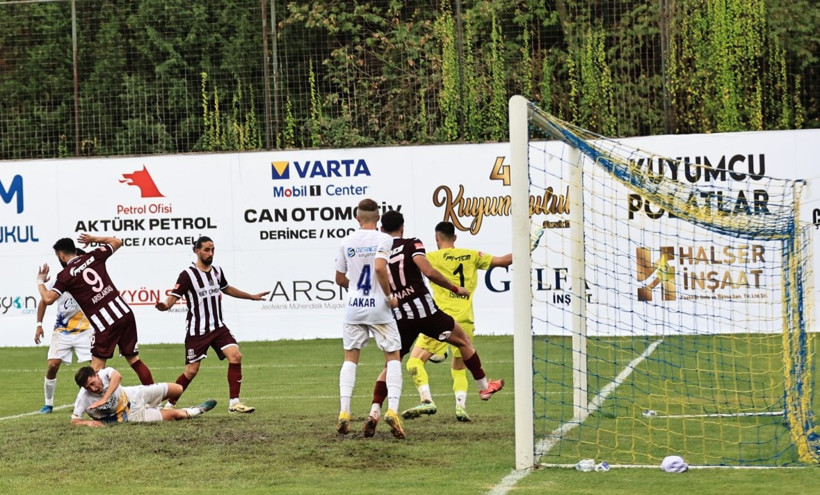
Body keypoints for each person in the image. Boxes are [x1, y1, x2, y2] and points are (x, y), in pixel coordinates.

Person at [363, 211, 504, 436]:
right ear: (402, 227)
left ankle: (374, 412)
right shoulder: (412, 243)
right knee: (463, 342)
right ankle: (484, 388)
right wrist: (455, 288)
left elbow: (376, 278)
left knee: (392, 364)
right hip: (427, 312)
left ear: (382, 230)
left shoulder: (379, 252)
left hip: (401, 316)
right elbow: (428, 271)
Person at [401, 221, 512, 422]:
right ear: (455, 237)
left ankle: (426, 400)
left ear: (437, 238)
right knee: (459, 367)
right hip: (465, 320)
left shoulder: (431, 258)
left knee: (414, 361)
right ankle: (461, 407)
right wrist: (525, 249)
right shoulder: (472, 255)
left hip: (439, 320)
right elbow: (504, 261)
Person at [155, 236, 269, 414]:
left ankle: (234, 403)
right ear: (197, 251)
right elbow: (173, 297)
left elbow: (227, 288)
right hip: (197, 331)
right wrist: (165, 306)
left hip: (218, 327)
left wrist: (251, 296)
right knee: (191, 371)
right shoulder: (187, 275)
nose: (210, 253)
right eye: (207, 250)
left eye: (213, 249)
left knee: (236, 356)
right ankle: (169, 405)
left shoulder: (217, 271)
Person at [36, 235, 154, 386]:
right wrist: (93, 239)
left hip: (105, 322)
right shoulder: (93, 256)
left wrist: (40, 280)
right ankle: (155, 401)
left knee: (95, 371)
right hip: (124, 312)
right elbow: (118, 241)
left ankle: (96, 406)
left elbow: (47, 299)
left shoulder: (65, 275)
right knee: (134, 359)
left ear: (61, 255)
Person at [334, 198, 404, 438]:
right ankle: (393, 410)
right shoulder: (384, 239)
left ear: (357, 218)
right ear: (378, 219)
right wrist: (389, 296)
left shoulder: (346, 241)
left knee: (350, 357)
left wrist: (355, 289)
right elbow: (379, 268)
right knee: (392, 356)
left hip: (354, 306)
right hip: (378, 306)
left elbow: (339, 278)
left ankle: (344, 412)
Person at [34, 252, 93, 414]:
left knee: (96, 366)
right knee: (52, 365)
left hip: (86, 330)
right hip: (62, 332)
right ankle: (48, 404)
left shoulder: (90, 279)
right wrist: (39, 325)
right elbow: (44, 301)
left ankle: (101, 399)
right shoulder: (59, 281)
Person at [71, 366, 216, 427]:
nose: (92, 388)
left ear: (96, 374)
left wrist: (104, 399)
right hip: (131, 415)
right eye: (88, 387)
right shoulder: (83, 397)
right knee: (174, 415)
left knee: (178, 389)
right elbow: (75, 420)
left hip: (135, 394)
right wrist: (88, 423)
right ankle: (195, 410)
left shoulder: (105, 373)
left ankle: (158, 406)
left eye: (92, 383)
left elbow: (118, 376)